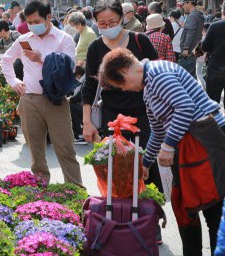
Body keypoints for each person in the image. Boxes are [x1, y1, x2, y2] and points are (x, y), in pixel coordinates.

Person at [99, 47, 225, 256]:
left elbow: (185, 107)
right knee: (185, 208)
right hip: (190, 145)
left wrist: (168, 146)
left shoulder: (158, 75)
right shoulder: (148, 86)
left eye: (120, 85)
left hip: (205, 142)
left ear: (124, 71)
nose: (125, 90)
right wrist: (145, 163)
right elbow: (158, 130)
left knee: (213, 207)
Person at [80, 0, 164, 242]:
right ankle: (119, 216)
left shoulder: (140, 40)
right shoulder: (96, 47)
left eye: (112, 22)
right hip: (111, 117)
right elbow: (89, 85)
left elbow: (156, 75)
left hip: (144, 113)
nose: (107, 27)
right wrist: (87, 121)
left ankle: (151, 221)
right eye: (102, 23)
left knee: (147, 167)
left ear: (122, 19)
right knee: (114, 167)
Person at [0, 0, 83, 187]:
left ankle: (76, 191)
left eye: (36, 21)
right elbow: (5, 60)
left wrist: (41, 58)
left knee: (66, 149)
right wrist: (14, 82)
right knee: (36, 151)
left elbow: (68, 68)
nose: (32, 26)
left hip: (56, 100)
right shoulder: (24, 40)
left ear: (48, 18)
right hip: (30, 100)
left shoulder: (64, 39)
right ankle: (41, 192)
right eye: (29, 22)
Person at [203, 1, 225, 105]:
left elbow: (205, 47)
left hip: (216, 68)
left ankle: (216, 121)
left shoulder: (215, 26)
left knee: (212, 102)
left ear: (222, 11)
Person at [179, 0, 205, 77]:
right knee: (193, 74)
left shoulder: (193, 15)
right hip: (196, 48)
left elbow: (190, 33)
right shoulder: (197, 14)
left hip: (190, 50)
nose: (183, 6)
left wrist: (186, 48)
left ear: (189, 3)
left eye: (184, 4)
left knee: (187, 76)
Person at [195, 23, 209, 88]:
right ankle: (204, 85)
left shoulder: (203, 38)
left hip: (200, 59)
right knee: (203, 73)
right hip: (207, 59)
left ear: (203, 31)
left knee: (198, 73)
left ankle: (204, 86)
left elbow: (198, 51)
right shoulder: (211, 38)